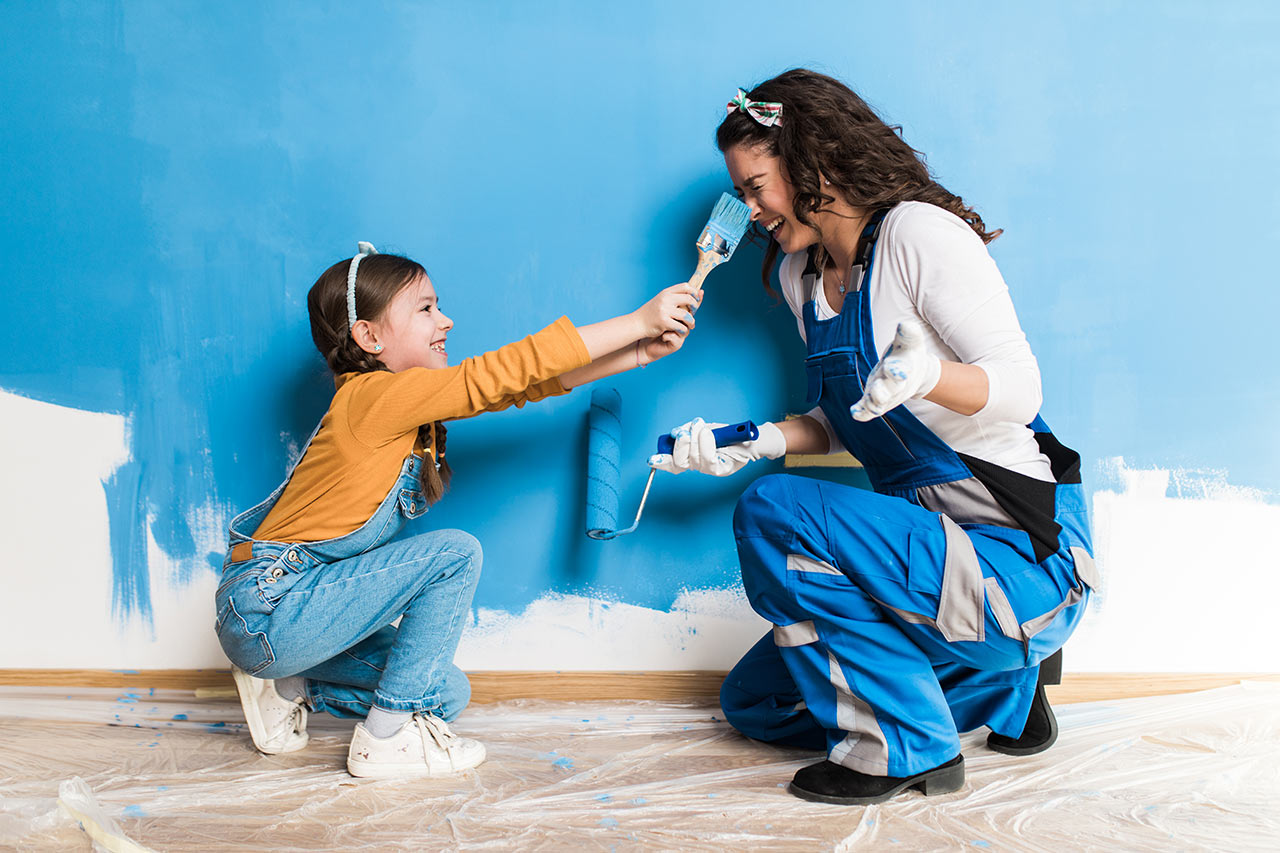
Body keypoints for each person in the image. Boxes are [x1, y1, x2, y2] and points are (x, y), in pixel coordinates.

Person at [650, 70, 1097, 805]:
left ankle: (910, 748)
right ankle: (1006, 689)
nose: (749, 208)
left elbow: (1020, 391)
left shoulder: (918, 235)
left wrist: (928, 374)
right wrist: (755, 439)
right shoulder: (804, 276)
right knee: (758, 703)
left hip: (1013, 555)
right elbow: (848, 422)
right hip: (923, 556)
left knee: (771, 510)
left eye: (757, 185)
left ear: (811, 163)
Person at [216, 243, 700, 778]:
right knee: (454, 554)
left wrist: (637, 352)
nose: (445, 319)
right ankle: (384, 741)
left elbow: (518, 388)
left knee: (443, 692)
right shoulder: (370, 399)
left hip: (298, 621)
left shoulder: (404, 410)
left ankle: (290, 687)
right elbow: (498, 374)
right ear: (369, 337)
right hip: (268, 608)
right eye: (424, 309)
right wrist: (636, 321)